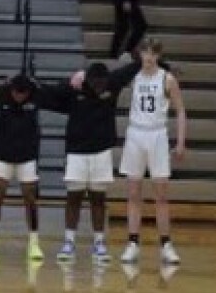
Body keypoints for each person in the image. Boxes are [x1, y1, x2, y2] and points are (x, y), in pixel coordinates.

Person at [38, 61, 140, 263]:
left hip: (101, 152)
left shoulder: (114, 83)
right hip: (77, 152)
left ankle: (99, 243)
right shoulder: (75, 88)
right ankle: (68, 242)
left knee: (98, 199)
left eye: (103, 83)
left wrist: (164, 65)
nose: (100, 86)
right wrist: (72, 79)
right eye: (96, 83)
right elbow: (53, 92)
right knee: (73, 198)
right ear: (88, 80)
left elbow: (134, 66)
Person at [119, 39, 186, 265]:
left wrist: (180, 142)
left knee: (161, 195)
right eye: (145, 52)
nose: (148, 57)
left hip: (157, 135)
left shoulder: (167, 79)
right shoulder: (133, 75)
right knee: (134, 192)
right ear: (140, 54)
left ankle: (166, 244)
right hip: (136, 134)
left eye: (152, 53)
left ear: (158, 55)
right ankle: (132, 243)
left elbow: (181, 111)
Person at [0, 74, 43, 261]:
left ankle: (34, 241)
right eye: (16, 93)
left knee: (30, 200)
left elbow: (57, 95)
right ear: (11, 89)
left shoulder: (37, 95)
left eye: (23, 93)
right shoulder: (0, 94)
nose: (19, 97)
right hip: (4, 156)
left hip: (27, 157)